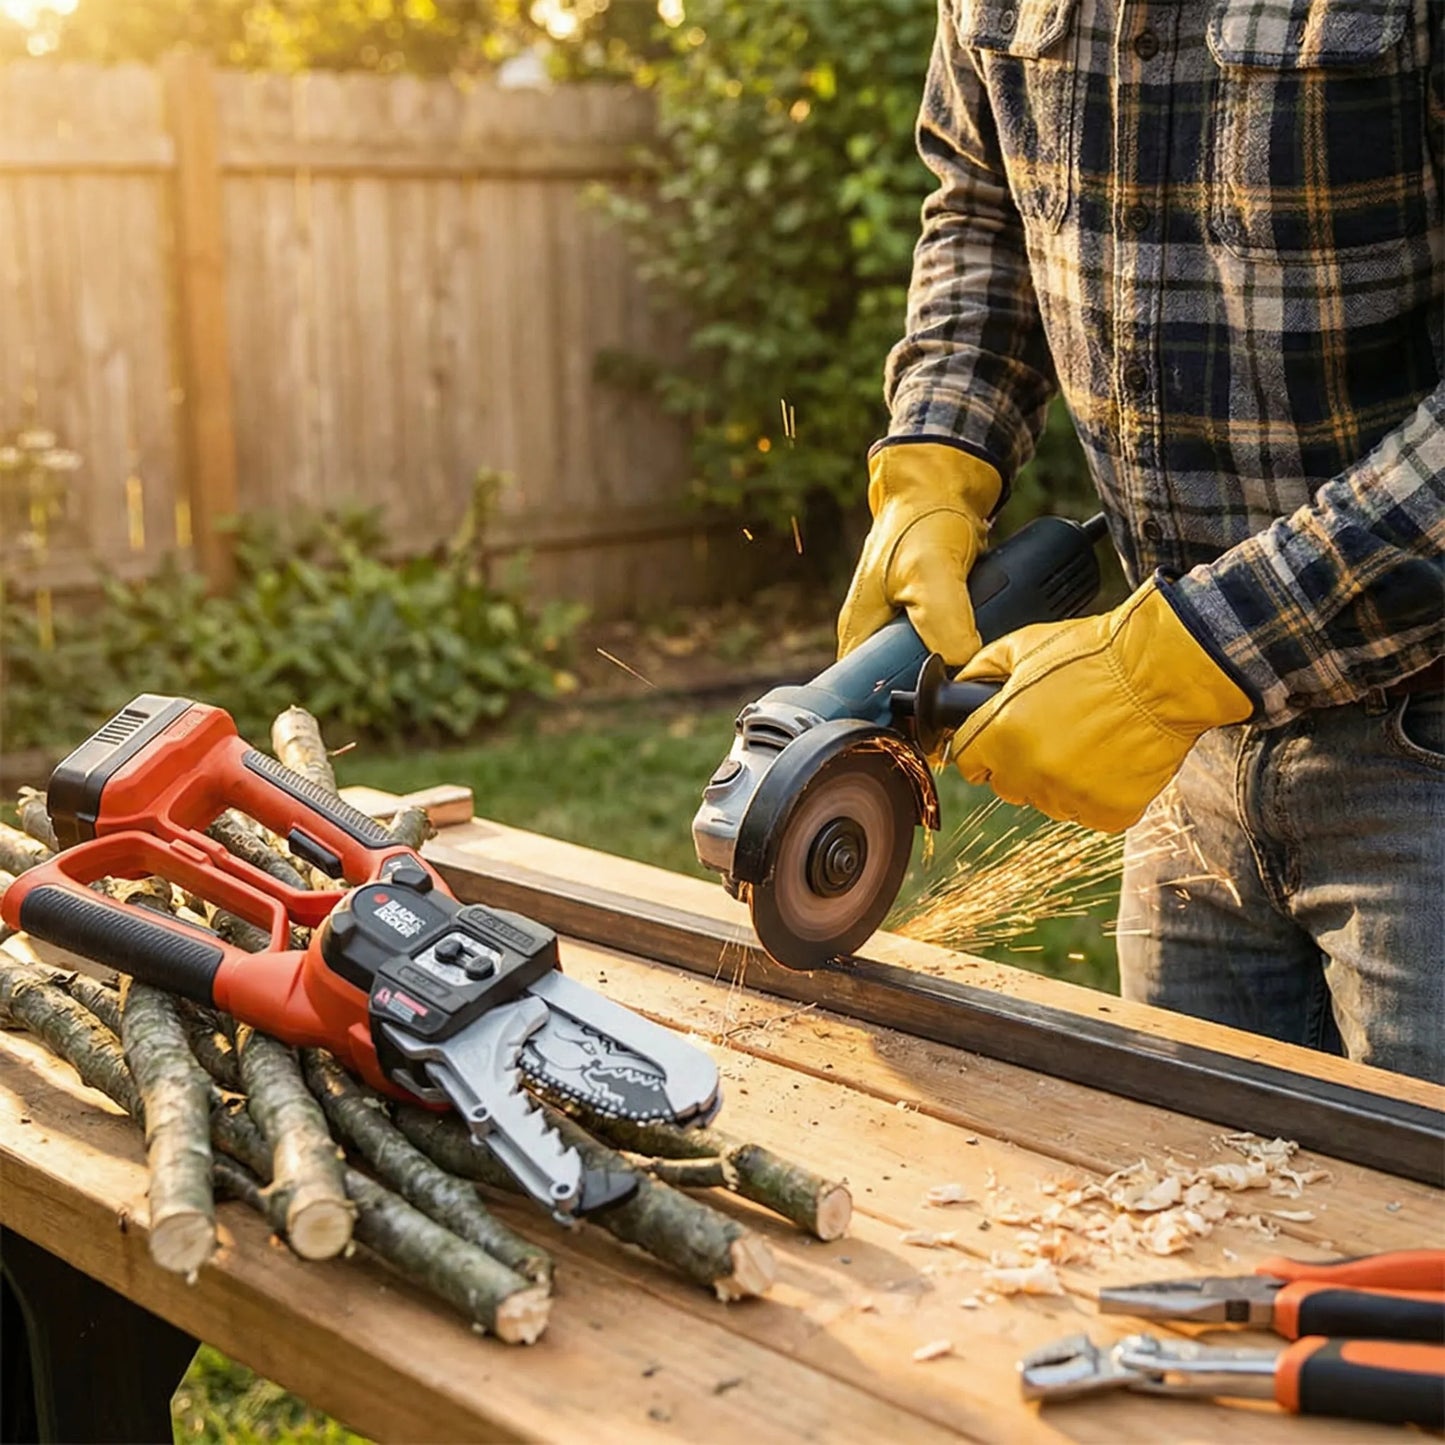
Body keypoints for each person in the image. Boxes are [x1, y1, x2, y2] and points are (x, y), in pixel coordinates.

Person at [836, 0, 1444, 1082]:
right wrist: (935, 452)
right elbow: (983, 205)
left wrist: (1186, 654)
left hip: (1418, 742)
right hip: (1178, 763)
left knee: (1414, 1240)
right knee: (1195, 1203)